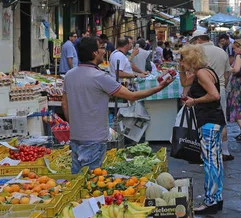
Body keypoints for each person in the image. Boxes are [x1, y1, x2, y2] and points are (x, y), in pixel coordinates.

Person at [62, 36, 175, 173]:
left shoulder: (69, 75)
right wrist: (158, 88)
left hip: (75, 136)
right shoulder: (100, 77)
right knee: (90, 178)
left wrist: (75, 125)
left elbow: (65, 105)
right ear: (94, 53)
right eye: (101, 48)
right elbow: (132, 96)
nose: (104, 51)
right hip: (94, 138)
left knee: (77, 178)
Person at [179, 45, 226, 214]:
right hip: (212, 120)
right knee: (215, 160)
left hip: (208, 120)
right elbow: (184, 82)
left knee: (211, 161)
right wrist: (181, 68)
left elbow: (215, 95)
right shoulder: (203, 71)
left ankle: (211, 200)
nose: (181, 62)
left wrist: (195, 101)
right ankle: (216, 197)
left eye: (182, 59)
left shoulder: (201, 73)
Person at [190, 31, 233, 161]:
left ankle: (205, 151)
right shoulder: (221, 52)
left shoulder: (196, 52)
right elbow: (227, 73)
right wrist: (223, 86)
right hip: (220, 89)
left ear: (198, 40)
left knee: (203, 122)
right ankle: (224, 151)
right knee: (222, 121)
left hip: (201, 91)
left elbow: (190, 75)